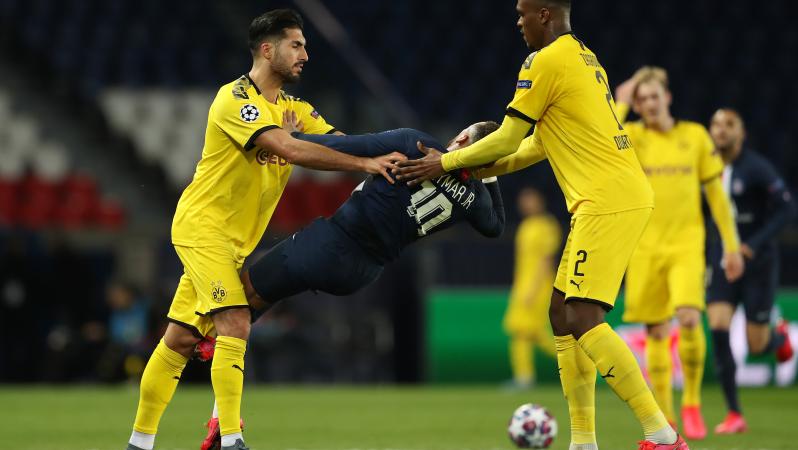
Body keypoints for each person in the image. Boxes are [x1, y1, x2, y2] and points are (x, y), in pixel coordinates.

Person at [395, 1, 686, 449]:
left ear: (544, 14)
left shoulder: (543, 61)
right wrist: (469, 168)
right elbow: (534, 147)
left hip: (607, 200)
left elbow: (509, 137)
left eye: (522, 12)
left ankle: (660, 434)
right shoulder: (584, 57)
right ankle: (583, 441)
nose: (518, 21)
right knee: (560, 313)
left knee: (584, 316)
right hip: (610, 197)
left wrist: (445, 163)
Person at [124, 9, 403, 450]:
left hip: (234, 240)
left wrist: (408, 151)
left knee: (179, 339)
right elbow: (288, 148)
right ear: (268, 50)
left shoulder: (296, 109)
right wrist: (363, 163)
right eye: (297, 45)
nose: (305, 55)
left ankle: (138, 443)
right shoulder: (235, 99)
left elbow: (341, 141)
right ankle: (231, 440)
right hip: (203, 228)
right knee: (235, 319)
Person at [200, 122, 505, 450]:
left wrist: (289, 139)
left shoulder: (415, 144)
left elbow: (348, 146)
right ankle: (220, 402)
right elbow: (497, 227)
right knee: (253, 307)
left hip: (333, 244)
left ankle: (217, 397)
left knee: (238, 301)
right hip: (363, 272)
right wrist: (490, 173)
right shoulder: (475, 200)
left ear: (462, 137)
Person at [613, 67, 744, 440]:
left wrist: (732, 246)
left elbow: (717, 198)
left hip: (686, 243)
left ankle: (691, 403)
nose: (649, 104)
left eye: (655, 96)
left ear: (667, 97)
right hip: (643, 245)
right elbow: (603, 138)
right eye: (642, 100)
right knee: (655, 329)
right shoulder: (631, 137)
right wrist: (621, 102)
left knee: (688, 318)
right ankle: (667, 415)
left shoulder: (695, 136)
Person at [705, 108, 795, 434]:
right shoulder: (706, 168)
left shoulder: (757, 168)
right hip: (722, 259)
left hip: (758, 263)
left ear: (741, 133)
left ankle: (778, 337)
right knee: (717, 326)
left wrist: (752, 245)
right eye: (716, 124)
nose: (721, 130)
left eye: (729, 124)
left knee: (756, 345)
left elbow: (787, 209)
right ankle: (734, 413)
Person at [503, 188, 560, 389]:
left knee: (532, 331)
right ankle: (524, 376)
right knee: (521, 331)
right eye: (524, 200)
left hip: (538, 287)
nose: (526, 204)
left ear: (540, 202)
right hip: (522, 286)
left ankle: (578, 363)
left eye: (530, 200)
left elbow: (546, 260)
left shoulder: (546, 225)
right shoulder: (525, 226)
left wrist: (533, 290)